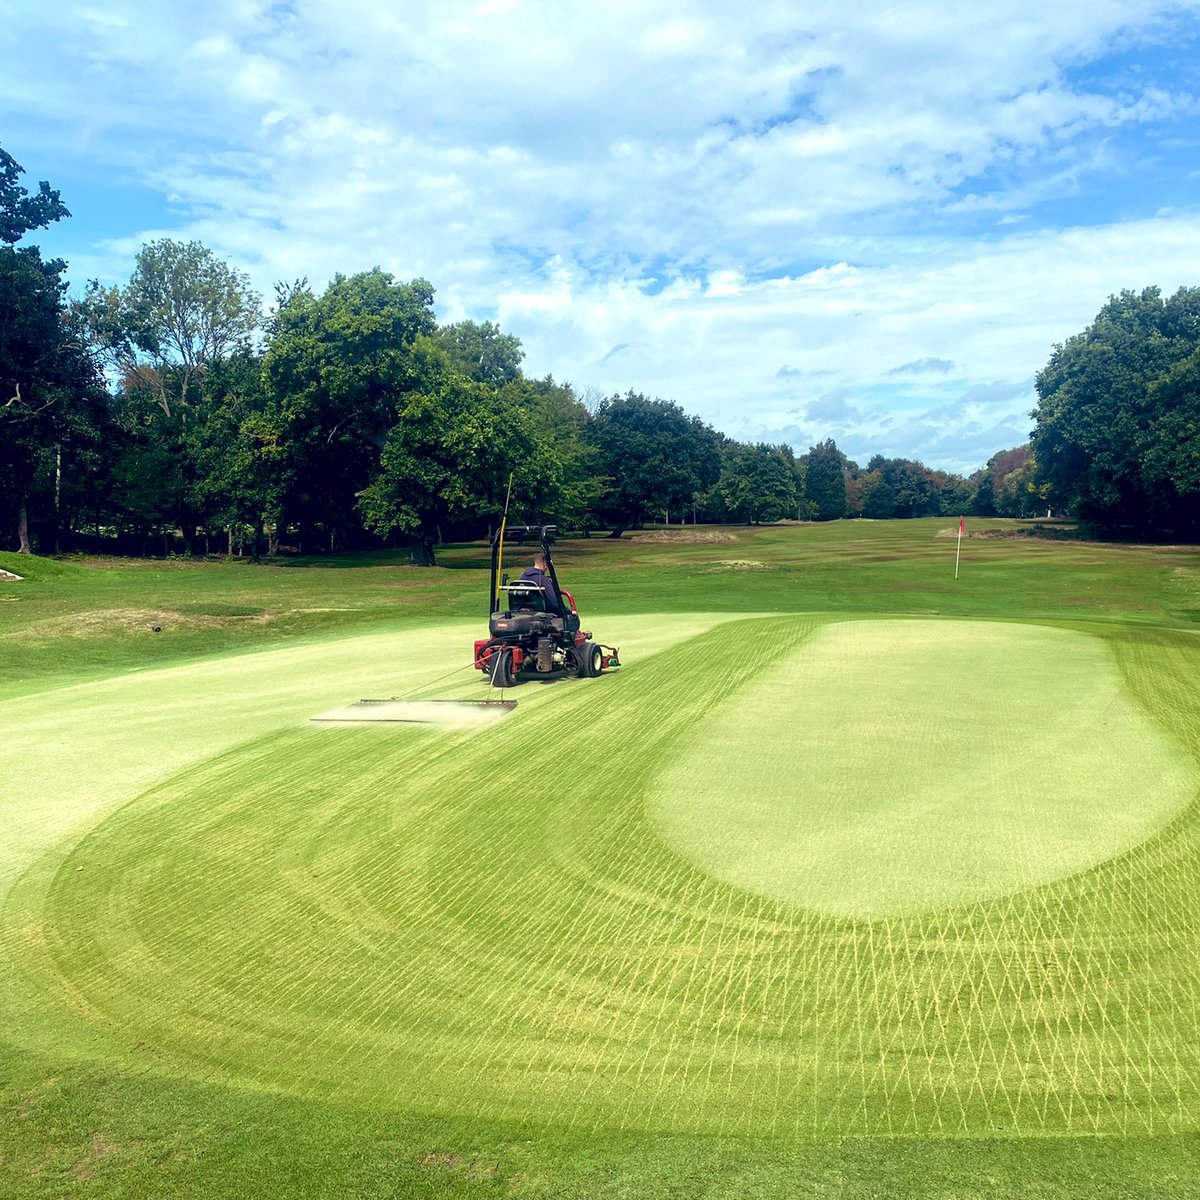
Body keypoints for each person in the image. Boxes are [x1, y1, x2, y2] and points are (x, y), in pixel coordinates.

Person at [519, 550, 561, 615]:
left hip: (523, 610)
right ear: (544, 564)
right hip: (541, 613)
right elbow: (554, 603)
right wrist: (567, 610)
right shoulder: (544, 580)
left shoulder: (522, 577)